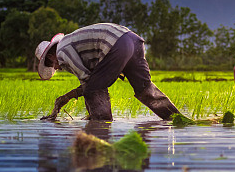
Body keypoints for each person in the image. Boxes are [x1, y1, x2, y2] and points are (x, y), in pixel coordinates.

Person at [34, 22, 180, 121]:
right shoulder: (74, 44)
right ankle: (176, 119)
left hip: (116, 44)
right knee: (145, 88)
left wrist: (64, 98)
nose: (56, 68)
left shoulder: (62, 51)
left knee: (93, 90)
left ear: (51, 56)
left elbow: (88, 82)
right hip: (132, 40)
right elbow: (94, 79)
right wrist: (75, 101)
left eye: (51, 64)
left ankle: (101, 125)